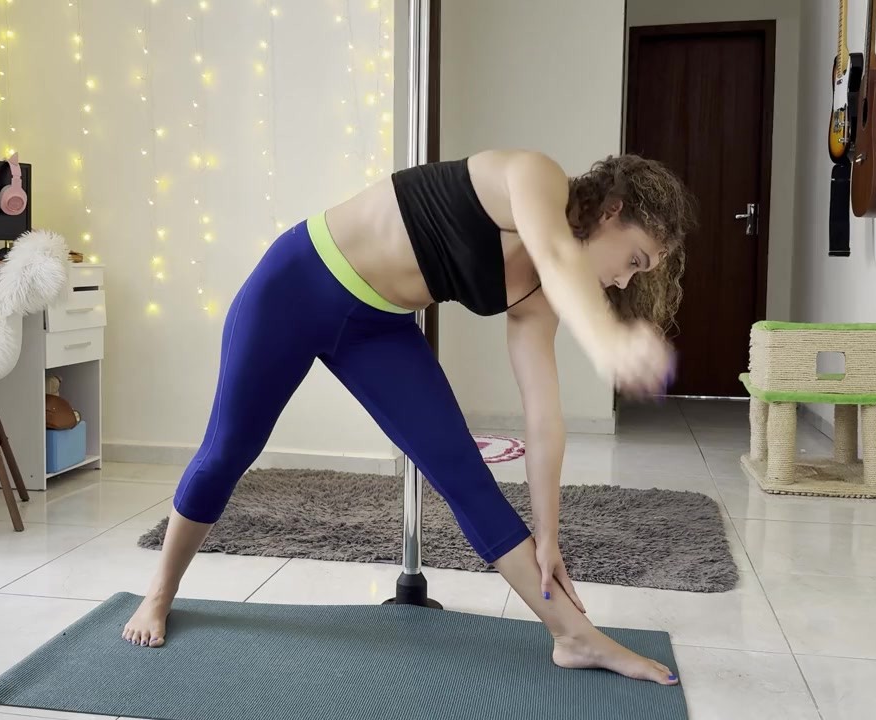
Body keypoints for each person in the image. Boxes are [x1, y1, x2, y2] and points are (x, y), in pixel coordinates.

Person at [123, 150, 697, 686]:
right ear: (612, 210)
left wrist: (548, 534)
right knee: (227, 452)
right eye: (634, 260)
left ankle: (574, 637)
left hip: (378, 330)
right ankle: (160, 593)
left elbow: (543, 416)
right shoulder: (533, 176)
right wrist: (607, 340)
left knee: (465, 476)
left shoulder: (543, 295)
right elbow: (554, 250)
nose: (626, 281)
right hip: (297, 285)